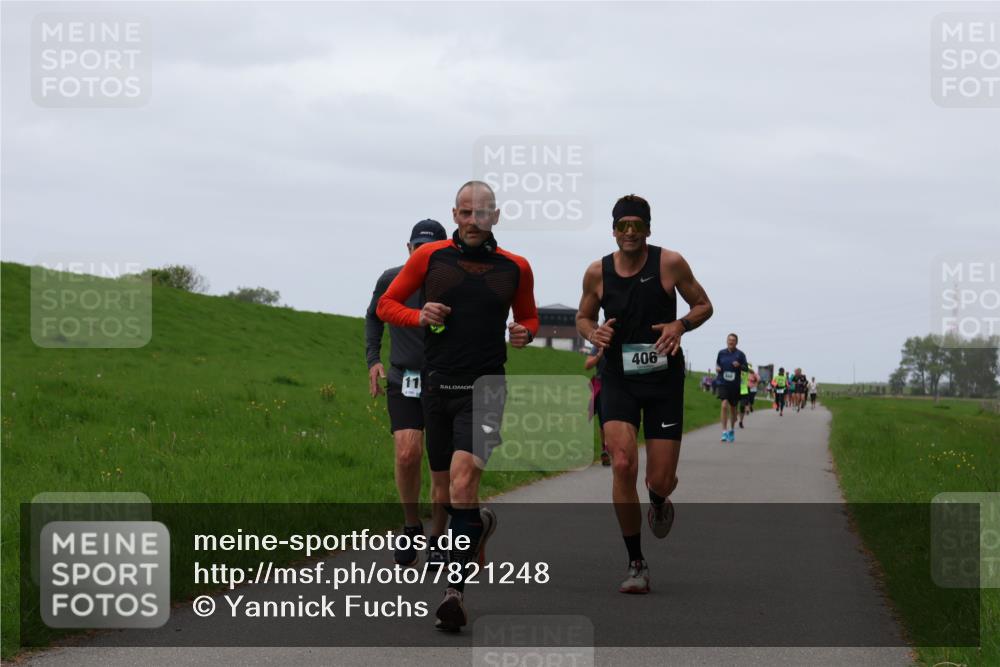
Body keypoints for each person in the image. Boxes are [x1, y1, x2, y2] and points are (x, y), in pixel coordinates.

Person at [377, 180, 538, 631]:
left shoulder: (516, 267)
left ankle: (453, 593)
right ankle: (478, 526)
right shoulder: (429, 258)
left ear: (496, 216)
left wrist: (524, 332)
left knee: (464, 486)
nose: (473, 221)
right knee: (445, 494)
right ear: (454, 214)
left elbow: (528, 316)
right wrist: (419, 314)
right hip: (437, 386)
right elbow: (387, 305)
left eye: (482, 213)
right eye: (465, 213)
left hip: (486, 388)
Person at [576, 193, 713, 594]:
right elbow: (583, 316)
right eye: (623, 225)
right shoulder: (597, 272)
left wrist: (680, 326)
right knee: (621, 463)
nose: (630, 232)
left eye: (638, 225)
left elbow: (704, 304)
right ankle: (636, 562)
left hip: (662, 380)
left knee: (660, 478)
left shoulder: (669, 263)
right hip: (618, 375)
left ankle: (658, 499)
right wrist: (593, 334)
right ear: (614, 229)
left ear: (648, 229)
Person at [366, 219, 449, 567]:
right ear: (409, 249)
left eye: (430, 249)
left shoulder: (456, 283)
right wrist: (373, 360)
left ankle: (438, 539)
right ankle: (411, 525)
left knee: (441, 467)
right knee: (406, 453)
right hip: (405, 379)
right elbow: (373, 317)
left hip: (447, 382)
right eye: (418, 248)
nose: (423, 255)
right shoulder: (392, 279)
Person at [716, 334, 747, 442]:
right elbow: (718, 364)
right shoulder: (721, 353)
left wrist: (739, 365)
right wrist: (718, 368)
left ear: (736, 342)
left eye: (733, 340)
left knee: (733, 409)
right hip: (723, 383)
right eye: (729, 340)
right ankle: (724, 432)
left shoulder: (740, 354)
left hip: (735, 385)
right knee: (724, 405)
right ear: (726, 341)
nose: (731, 342)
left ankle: (732, 430)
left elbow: (746, 368)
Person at [585, 345, 611, 466]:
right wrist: (598, 356)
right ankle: (605, 449)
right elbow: (587, 365)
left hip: (619, 387)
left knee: (609, 419)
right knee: (602, 419)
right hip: (601, 385)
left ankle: (609, 448)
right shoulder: (598, 345)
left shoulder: (623, 340)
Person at [737, 362, 755, 429]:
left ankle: (741, 421)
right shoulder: (737, 373)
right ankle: (735, 415)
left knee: (742, 406)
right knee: (735, 404)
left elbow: (754, 379)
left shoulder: (749, 374)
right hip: (736, 390)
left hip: (744, 391)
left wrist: (752, 384)